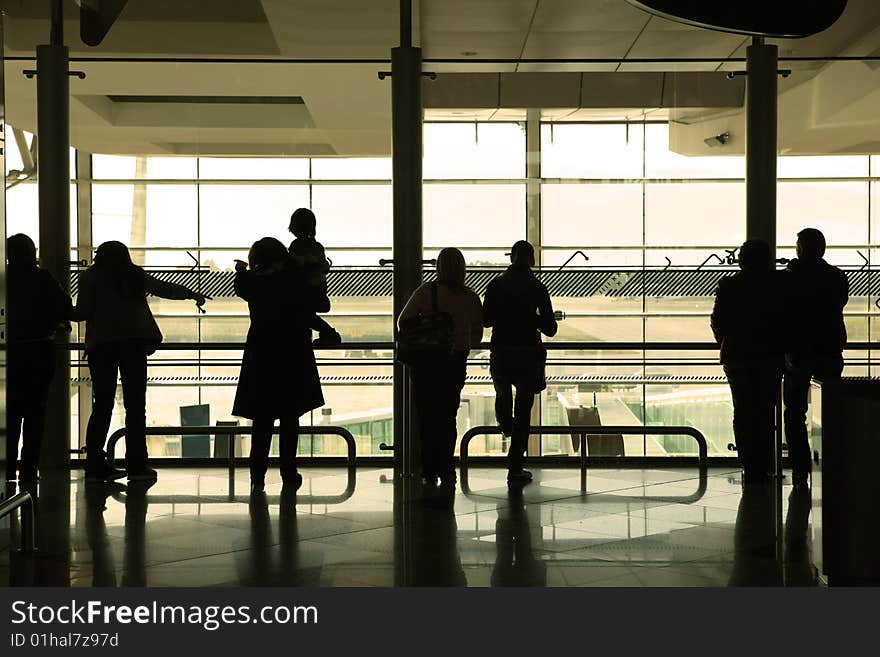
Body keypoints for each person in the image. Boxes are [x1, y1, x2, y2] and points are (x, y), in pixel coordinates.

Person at [71, 241, 209, 482]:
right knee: (136, 406)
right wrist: (190, 294)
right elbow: (164, 289)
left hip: (101, 347)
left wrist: (58, 310)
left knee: (102, 406)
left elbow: (81, 312)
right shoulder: (133, 275)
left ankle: (94, 462)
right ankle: (137, 463)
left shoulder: (91, 277)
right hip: (133, 346)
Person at [233, 237, 325, 494]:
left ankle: (257, 475)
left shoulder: (252, 283)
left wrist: (242, 270)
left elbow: (242, 284)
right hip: (292, 353)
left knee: (261, 421)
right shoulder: (293, 282)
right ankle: (288, 471)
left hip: (262, 354)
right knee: (289, 418)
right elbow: (308, 312)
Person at [398, 247, 483, 487]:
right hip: (455, 361)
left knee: (426, 416)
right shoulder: (470, 297)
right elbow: (476, 335)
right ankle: (447, 468)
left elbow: (403, 322)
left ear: (439, 267)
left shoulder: (426, 292)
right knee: (448, 415)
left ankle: (428, 469)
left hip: (425, 362)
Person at [483, 240, 558, 484]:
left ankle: (505, 424)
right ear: (532, 260)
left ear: (511, 257)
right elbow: (550, 328)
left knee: (502, 394)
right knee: (524, 411)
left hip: (502, 352)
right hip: (527, 355)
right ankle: (515, 466)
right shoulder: (538, 288)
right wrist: (532, 318)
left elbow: (486, 321)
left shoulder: (495, 286)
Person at [710, 239, 784, 485]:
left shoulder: (730, 285)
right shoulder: (778, 285)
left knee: (743, 410)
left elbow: (717, 321)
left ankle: (748, 462)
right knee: (765, 410)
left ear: (743, 260)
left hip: (738, 356)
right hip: (770, 356)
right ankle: (763, 462)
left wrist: (727, 342)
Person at [781, 228, 848, 487]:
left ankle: (801, 467)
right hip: (829, 350)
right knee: (829, 409)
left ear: (801, 248)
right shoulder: (836, 277)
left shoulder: (791, 277)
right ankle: (828, 464)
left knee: (795, 412)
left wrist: (794, 270)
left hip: (798, 352)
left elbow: (786, 306)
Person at [5, 234, 72, 486]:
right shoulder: (43, 278)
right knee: (35, 413)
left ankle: (8, 469)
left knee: (9, 414)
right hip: (40, 351)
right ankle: (29, 469)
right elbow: (65, 306)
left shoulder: (4, 278)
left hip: (9, 352)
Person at [288, 208, 341, 347]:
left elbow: (295, 268)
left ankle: (329, 333)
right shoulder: (318, 246)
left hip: (304, 290)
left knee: (302, 316)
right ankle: (328, 333)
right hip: (318, 288)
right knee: (307, 316)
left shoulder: (296, 245)